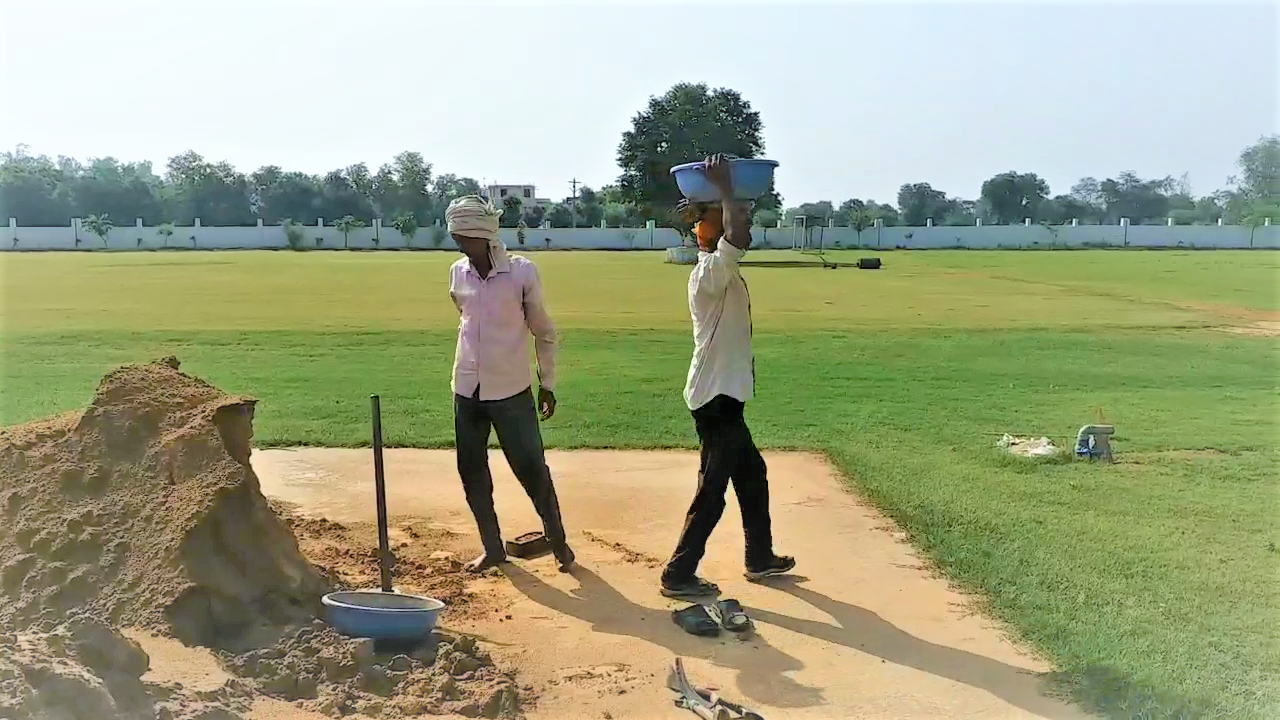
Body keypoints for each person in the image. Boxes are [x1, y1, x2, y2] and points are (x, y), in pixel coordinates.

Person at [660, 155, 796, 599]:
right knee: (713, 490)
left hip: (723, 395)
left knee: (751, 475)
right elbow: (737, 234)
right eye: (722, 217)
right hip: (715, 398)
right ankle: (678, 574)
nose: (741, 223)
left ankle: (759, 558)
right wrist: (724, 189)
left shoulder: (722, 271)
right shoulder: (711, 273)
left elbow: (738, 231)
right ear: (707, 232)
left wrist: (725, 198)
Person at [446, 195, 575, 574]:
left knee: (532, 469)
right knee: (471, 472)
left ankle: (558, 542)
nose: (459, 245)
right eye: (455, 238)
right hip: (466, 388)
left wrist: (547, 383)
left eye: (464, 238)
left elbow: (544, 332)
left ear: (484, 237)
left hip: (511, 392)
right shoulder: (457, 273)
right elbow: (465, 319)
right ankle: (492, 548)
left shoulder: (521, 273)